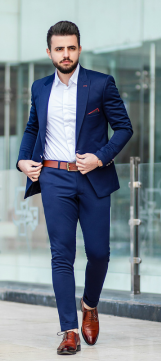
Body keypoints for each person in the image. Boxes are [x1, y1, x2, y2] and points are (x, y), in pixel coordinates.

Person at [16, 20, 133, 355]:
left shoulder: (100, 84)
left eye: (71, 47)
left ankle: (90, 305)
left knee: (99, 253)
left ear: (79, 49)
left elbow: (124, 128)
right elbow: (31, 128)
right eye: (59, 48)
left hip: (93, 177)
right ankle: (69, 330)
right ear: (50, 52)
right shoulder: (40, 88)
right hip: (53, 177)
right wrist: (23, 161)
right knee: (61, 254)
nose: (65, 54)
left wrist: (100, 157)